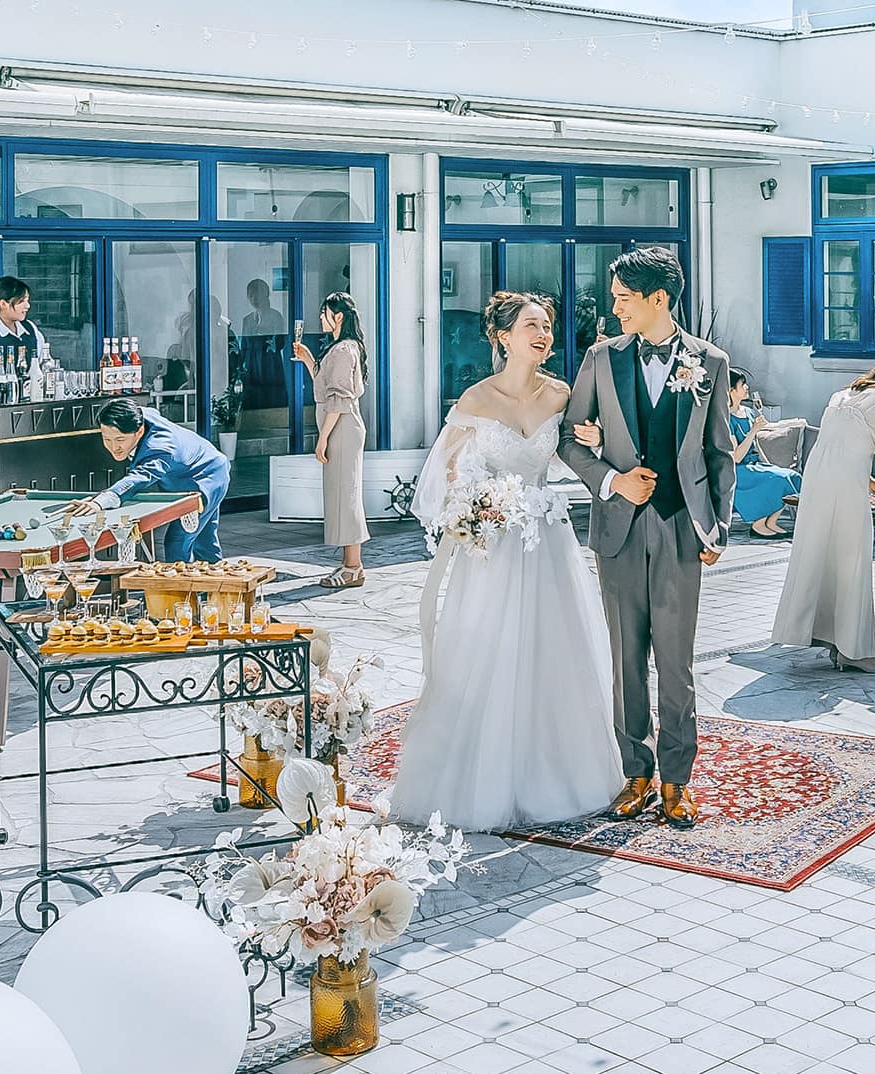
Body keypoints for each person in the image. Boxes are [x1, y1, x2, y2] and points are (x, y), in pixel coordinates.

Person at [391, 292, 621, 832]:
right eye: (532, 326)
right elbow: (449, 475)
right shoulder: (476, 399)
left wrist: (596, 437)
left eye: (547, 326)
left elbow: (580, 449)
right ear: (503, 337)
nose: (543, 335)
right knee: (488, 650)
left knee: (554, 650)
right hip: (493, 548)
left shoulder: (562, 394)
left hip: (549, 545)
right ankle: (480, 778)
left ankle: (561, 773)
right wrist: (476, 506)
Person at [556, 246, 735, 831]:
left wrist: (718, 527)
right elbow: (569, 439)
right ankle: (636, 772)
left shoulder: (710, 362)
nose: (615, 309)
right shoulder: (600, 359)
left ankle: (677, 780)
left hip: (682, 527)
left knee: (676, 662)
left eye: (623, 299)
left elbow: (719, 452)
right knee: (626, 659)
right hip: (620, 529)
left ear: (658, 299)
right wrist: (613, 480)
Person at [769, 357, 875, 672]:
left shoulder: (844, 394)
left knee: (821, 555)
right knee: (852, 560)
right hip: (845, 485)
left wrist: (872, 483)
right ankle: (855, 652)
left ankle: (827, 638)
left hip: (817, 479)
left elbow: (840, 446)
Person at [67, 398, 230, 562]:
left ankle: (179, 579)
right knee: (205, 540)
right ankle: (219, 577)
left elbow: (141, 476)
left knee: (177, 542)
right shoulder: (137, 415)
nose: (114, 447)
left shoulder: (161, 448)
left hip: (206, 479)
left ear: (139, 432)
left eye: (120, 440)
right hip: (202, 466)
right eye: (107, 439)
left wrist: (100, 501)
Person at [291, 292, 370, 588]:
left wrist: (322, 439)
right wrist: (307, 358)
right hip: (341, 425)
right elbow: (326, 387)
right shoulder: (341, 348)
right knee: (342, 493)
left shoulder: (343, 350)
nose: (320, 318)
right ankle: (351, 564)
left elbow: (338, 400)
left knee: (345, 495)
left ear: (337, 316)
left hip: (341, 427)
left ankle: (353, 566)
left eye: (324, 312)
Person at [726, 370, 800, 537]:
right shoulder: (726, 418)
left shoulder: (748, 411)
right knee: (777, 479)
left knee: (791, 475)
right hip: (738, 469)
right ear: (731, 390)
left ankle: (771, 522)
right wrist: (753, 430)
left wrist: (767, 464)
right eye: (742, 385)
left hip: (754, 464)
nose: (747, 387)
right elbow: (736, 457)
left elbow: (757, 442)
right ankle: (758, 525)